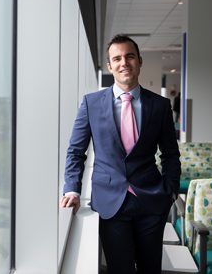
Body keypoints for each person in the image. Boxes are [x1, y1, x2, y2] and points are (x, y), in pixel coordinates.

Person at [60, 34, 181, 274]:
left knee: (150, 269)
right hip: (110, 203)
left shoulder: (159, 105)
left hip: (151, 200)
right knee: (120, 269)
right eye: (117, 58)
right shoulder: (91, 103)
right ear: (109, 66)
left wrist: (171, 189)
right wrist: (72, 189)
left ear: (139, 61)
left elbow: (170, 153)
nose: (124, 62)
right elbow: (76, 151)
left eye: (129, 56)